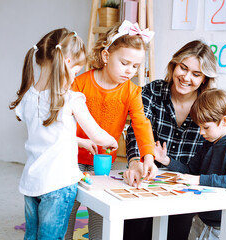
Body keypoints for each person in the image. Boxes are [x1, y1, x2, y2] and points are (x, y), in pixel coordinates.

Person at [9, 28, 118, 240]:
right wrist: (112, 140)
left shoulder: (28, 97)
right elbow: (99, 136)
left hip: (32, 183)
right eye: (76, 71)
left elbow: (46, 133)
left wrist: (80, 142)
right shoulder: (70, 99)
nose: (75, 76)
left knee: (31, 236)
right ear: (67, 62)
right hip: (58, 186)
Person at [65, 20, 157, 240]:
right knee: (68, 208)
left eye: (135, 66)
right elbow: (62, 119)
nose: (130, 71)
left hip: (103, 161)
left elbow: (141, 123)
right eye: (125, 63)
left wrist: (149, 156)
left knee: (100, 211)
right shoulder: (80, 83)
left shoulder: (133, 91)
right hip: (70, 158)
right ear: (106, 57)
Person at [123, 40, 217, 240]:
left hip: (185, 183)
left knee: (176, 232)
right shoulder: (152, 91)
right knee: (135, 228)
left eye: (196, 74)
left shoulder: (208, 105)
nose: (186, 77)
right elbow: (136, 130)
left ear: (204, 79)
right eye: (183, 68)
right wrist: (134, 162)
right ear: (174, 65)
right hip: (148, 176)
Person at [155, 89, 226, 240]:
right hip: (203, 215)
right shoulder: (208, 143)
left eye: (205, 127)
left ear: (225, 121)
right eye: (199, 127)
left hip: (225, 220)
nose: (201, 132)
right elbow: (190, 171)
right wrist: (166, 160)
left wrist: (199, 179)